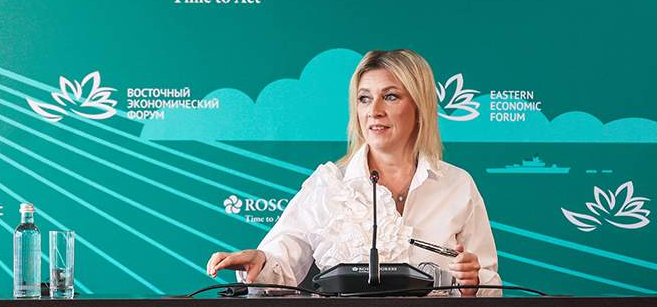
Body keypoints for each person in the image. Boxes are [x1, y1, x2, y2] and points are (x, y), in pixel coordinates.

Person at [206, 49, 501, 296]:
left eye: (390, 97)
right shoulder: (330, 185)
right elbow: (279, 260)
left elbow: (491, 284)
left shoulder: (457, 184)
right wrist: (258, 260)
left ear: (419, 106)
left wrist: (473, 284)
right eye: (364, 98)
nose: (374, 110)